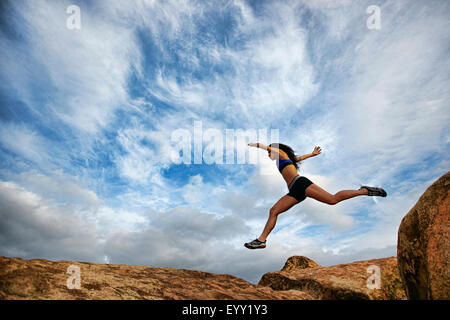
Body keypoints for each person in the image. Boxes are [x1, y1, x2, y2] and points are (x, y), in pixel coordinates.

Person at [244, 142, 387, 249]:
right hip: (294, 191)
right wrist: (312, 154)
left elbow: (270, 148)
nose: (268, 155)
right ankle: (261, 240)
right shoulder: (284, 160)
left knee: (332, 199)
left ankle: (364, 191)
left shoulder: (280, 154)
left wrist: (256, 145)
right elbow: (298, 159)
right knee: (273, 211)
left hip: (300, 183)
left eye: (269, 153)